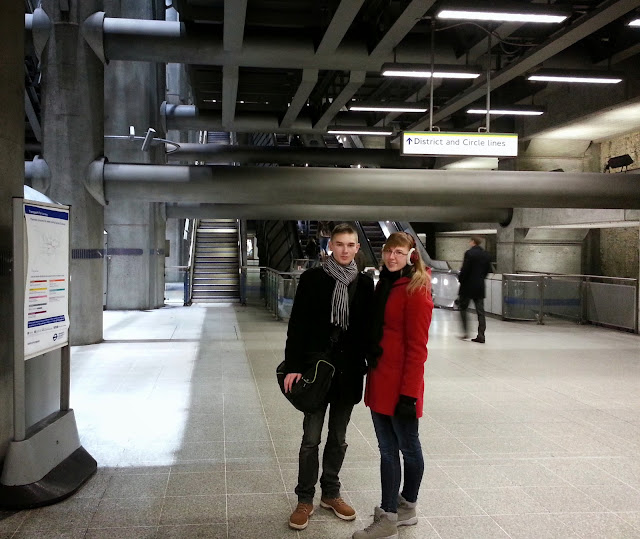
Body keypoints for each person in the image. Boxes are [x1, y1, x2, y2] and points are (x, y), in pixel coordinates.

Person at [283, 223, 374, 531]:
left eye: (350, 245)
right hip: (317, 371)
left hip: (349, 373)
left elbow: (369, 330)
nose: (345, 250)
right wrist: (294, 365)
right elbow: (297, 325)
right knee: (311, 439)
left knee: (338, 438)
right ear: (329, 246)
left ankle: (331, 493)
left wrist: (374, 365)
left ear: (357, 248)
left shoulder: (365, 284)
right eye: (340, 244)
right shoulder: (312, 279)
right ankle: (304, 498)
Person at [354, 232, 433, 539]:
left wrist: (409, 395)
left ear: (411, 256)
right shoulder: (385, 285)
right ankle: (394, 510)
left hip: (401, 387)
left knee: (408, 448)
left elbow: (417, 348)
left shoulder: (416, 289)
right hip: (380, 379)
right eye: (388, 251)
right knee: (387, 450)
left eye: (399, 252)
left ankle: (401, 509)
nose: (392, 257)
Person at [458, 236, 492, 343]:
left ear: (473, 242)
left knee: (463, 308)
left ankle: (465, 332)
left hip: (467, 286)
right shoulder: (486, 254)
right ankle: (481, 335)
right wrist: (481, 279)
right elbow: (488, 270)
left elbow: (465, 269)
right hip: (479, 286)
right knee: (480, 312)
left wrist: (461, 279)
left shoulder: (469, 253)